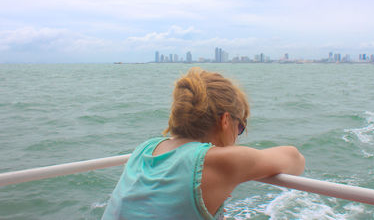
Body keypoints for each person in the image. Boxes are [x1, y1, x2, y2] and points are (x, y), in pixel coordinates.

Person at [102, 67, 305, 219]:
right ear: (225, 120)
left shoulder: (146, 148)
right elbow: (295, 159)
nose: (238, 135)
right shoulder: (214, 161)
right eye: (240, 127)